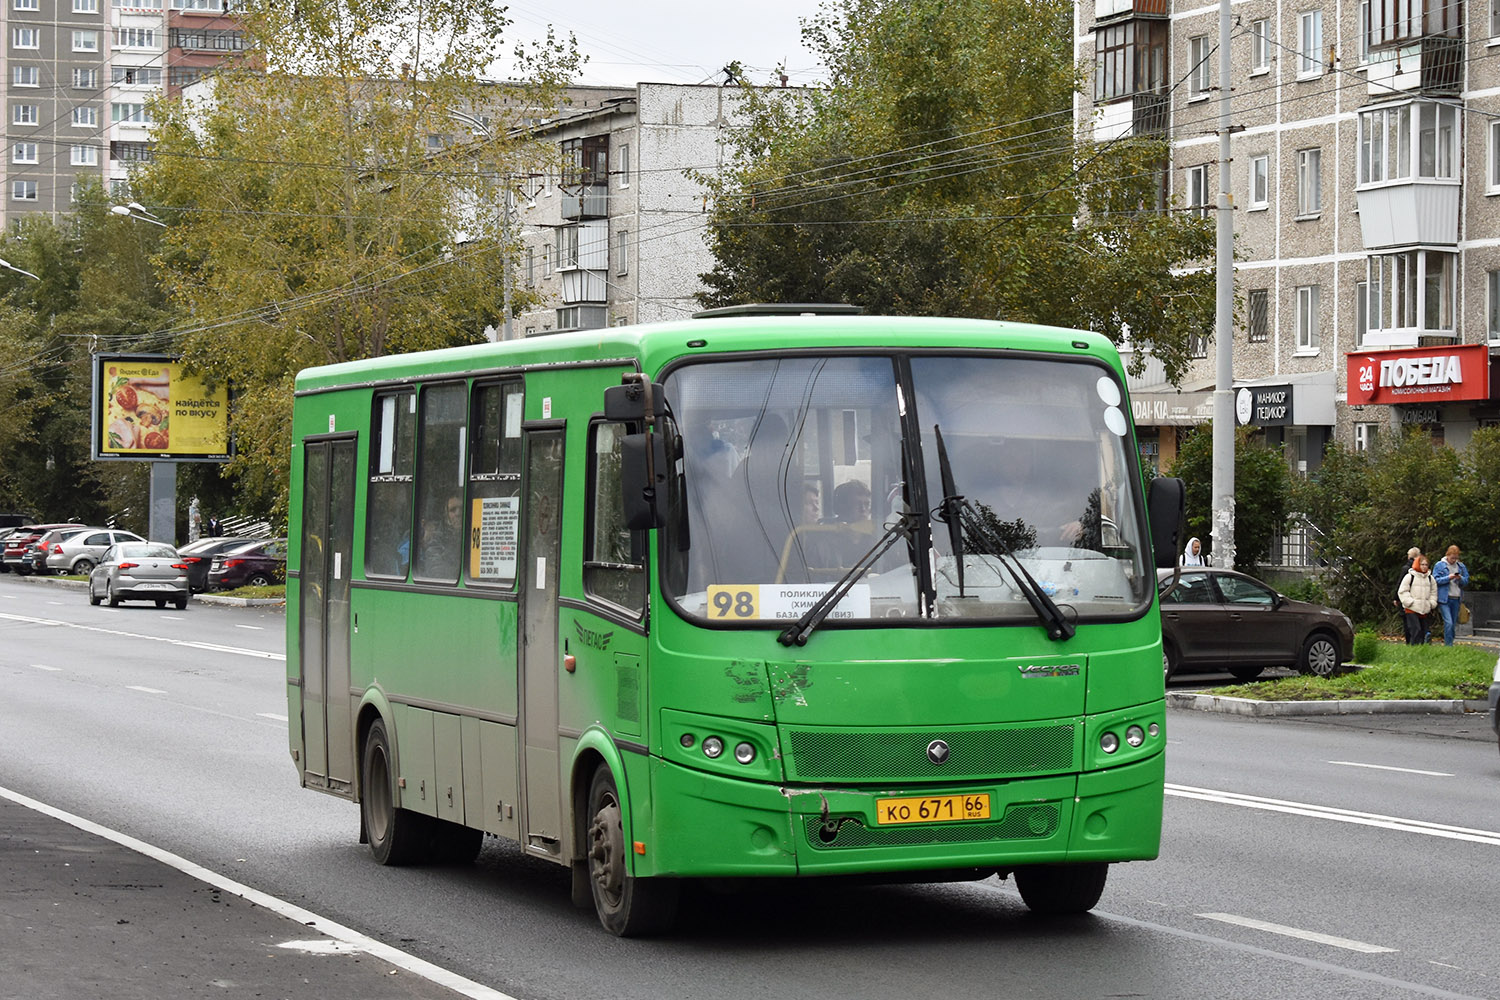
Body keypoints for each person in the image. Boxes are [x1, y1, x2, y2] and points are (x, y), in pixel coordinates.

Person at [1431, 544, 1469, 646]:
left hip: (1456, 598)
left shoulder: (1461, 566)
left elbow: (1466, 580)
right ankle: (1449, 645)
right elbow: (1435, 580)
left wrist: (1460, 578)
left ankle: (1450, 642)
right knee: (1449, 622)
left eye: (1456, 558)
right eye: (1452, 558)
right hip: (1444, 598)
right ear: (1447, 555)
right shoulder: (1440, 565)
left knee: (1453, 623)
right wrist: (1448, 578)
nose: (1454, 560)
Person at [1398, 555, 1437, 645]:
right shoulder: (1410, 576)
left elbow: (1434, 592)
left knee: (1423, 631)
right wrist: (1410, 602)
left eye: (1426, 565)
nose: (1424, 566)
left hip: (1424, 608)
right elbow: (1402, 591)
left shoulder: (1430, 578)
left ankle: (1421, 649)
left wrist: (1431, 603)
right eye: (1422, 564)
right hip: (1411, 608)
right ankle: (1414, 649)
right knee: (1415, 630)